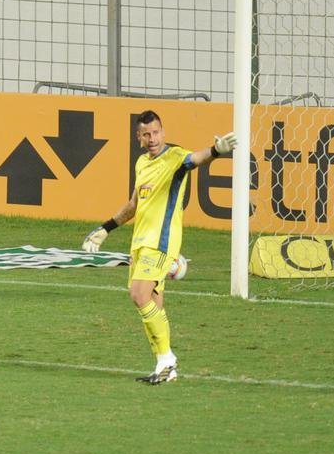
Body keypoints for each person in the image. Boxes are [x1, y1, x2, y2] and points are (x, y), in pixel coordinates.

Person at [81, 111, 236, 384]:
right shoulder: (142, 163)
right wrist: (105, 229)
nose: (152, 139)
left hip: (161, 242)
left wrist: (216, 150)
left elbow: (195, 159)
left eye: (156, 132)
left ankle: (167, 358)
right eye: (146, 134)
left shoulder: (175, 157)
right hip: (140, 244)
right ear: (138, 137)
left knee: (138, 295)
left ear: (163, 132)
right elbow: (133, 205)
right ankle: (164, 368)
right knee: (153, 304)